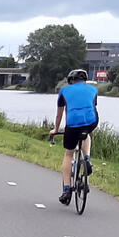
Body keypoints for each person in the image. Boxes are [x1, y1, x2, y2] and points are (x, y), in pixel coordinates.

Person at [48, 69, 98, 206]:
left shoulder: (64, 91)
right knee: (86, 134)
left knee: (69, 154)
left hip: (73, 124)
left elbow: (59, 115)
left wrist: (56, 130)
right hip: (92, 121)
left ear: (71, 80)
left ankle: (67, 190)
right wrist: (90, 128)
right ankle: (87, 159)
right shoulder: (93, 90)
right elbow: (91, 107)